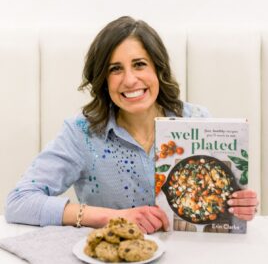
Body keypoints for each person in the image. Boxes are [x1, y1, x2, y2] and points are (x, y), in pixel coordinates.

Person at [5, 16, 258, 234]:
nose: (130, 80)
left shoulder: (197, 121)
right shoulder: (81, 133)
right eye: (115, 69)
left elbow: (216, 210)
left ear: (158, 68)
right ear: (103, 80)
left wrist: (238, 206)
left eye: (139, 64)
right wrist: (110, 217)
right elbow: (19, 202)